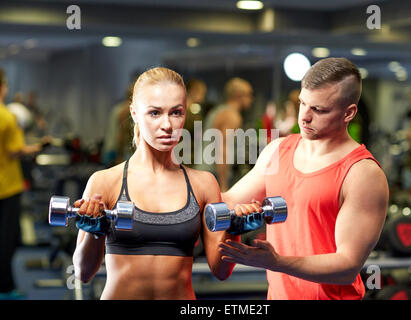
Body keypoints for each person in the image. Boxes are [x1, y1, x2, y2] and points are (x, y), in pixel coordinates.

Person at [72, 67, 259, 300]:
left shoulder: (203, 184)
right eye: (155, 113)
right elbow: (82, 272)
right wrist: (93, 231)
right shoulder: (105, 182)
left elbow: (220, 270)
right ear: (134, 113)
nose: (168, 125)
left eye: (176, 112)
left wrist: (235, 230)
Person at [218, 57, 389, 300]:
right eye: (302, 103)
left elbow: (347, 266)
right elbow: (229, 200)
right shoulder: (278, 150)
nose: (305, 117)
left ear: (348, 113)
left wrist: (277, 262)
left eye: (319, 109)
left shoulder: (362, 173)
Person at [0, 69, 46, 299]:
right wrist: (37, 147)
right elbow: (15, 150)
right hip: (6, 188)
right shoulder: (7, 117)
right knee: (8, 240)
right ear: (3, 87)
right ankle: (6, 288)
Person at [198, 77, 254, 191]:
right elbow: (222, 150)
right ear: (239, 95)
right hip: (213, 176)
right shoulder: (231, 116)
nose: (251, 99)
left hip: (205, 174)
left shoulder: (218, 111)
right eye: (249, 94)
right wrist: (224, 186)